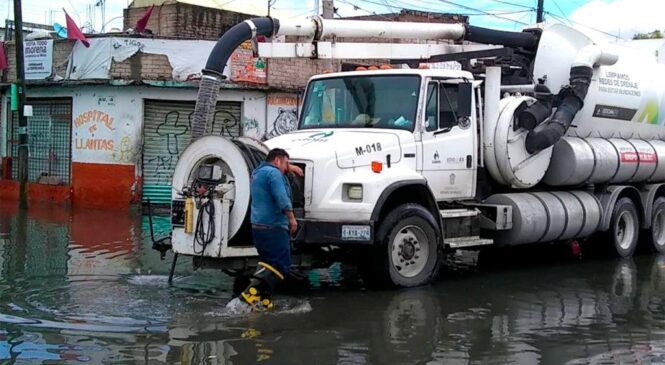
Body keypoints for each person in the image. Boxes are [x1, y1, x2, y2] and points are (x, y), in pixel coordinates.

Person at [240, 148, 302, 310]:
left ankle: (263, 301)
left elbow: (279, 167)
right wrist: (292, 218)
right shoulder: (274, 174)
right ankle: (250, 292)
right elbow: (281, 197)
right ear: (277, 160)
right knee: (282, 265)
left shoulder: (257, 173)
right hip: (273, 227)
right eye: (286, 163)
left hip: (258, 228)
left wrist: (291, 167)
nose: (286, 168)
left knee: (268, 264)